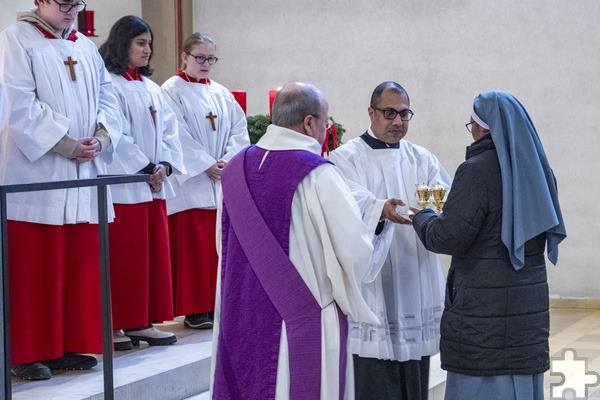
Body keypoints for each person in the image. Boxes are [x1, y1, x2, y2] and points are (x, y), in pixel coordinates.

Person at [211, 82, 380, 399]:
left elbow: (224, 248)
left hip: (239, 313)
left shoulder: (232, 170)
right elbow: (354, 251)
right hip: (302, 318)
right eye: (325, 123)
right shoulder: (317, 174)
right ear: (309, 123)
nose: (325, 130)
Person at [411, 91, 566, 400]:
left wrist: (423, 217)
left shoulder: (475, 170)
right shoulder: (539, 171)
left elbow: (448, 236)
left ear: (482, 127)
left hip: (482, 319)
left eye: (471, 124)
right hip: (527, 310)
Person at [0, 0, 122, 380]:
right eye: (63, 2)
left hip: (85, 170)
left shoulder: (84, 46)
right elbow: (16, 103)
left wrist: (102, 136)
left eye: (77, 3)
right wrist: (65, 143)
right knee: (36, 266)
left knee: (77, 263)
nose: (72, 10)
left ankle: (65, 346)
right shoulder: (16, 39)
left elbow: (109, 96)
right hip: (37, 173)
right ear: (39, 1)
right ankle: (26, 352)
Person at [329, 81, 451, 400]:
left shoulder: (422, 158)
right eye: (389, 113)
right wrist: (378, 209)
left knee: (414, 373)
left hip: (414, 277)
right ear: (371, 113)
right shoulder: (346, 158)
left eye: (404, 114)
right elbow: (342, 203)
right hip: (371, 286)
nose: (397, 121)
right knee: (374, 374)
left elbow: (445, 198)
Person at [99, 15, 184, 350]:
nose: (148, 50)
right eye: (141, 43)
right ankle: (116, 323)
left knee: (150, 258)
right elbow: (114, 133)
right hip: (125, 186)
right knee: (125, 257)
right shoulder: (109, 83)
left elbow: (169, 132)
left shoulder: (151, 88)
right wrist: (146, 167)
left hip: (153, 185)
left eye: (149, 43)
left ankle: (141, 321)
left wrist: (164, 165)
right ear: (123, 43)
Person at [161, 32, 249, 330]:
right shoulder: (171, 91)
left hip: (221, 180)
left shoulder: (221, 93)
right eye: (200, 57)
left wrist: (229, 160)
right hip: (193, 183)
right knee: (195, 246)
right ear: (184, 56)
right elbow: (174, 133)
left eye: (211, 58)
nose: (206, 63)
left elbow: (240, 130)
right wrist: (206, 164)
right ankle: (195, 309)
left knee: (219, 246)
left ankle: (218, 305)